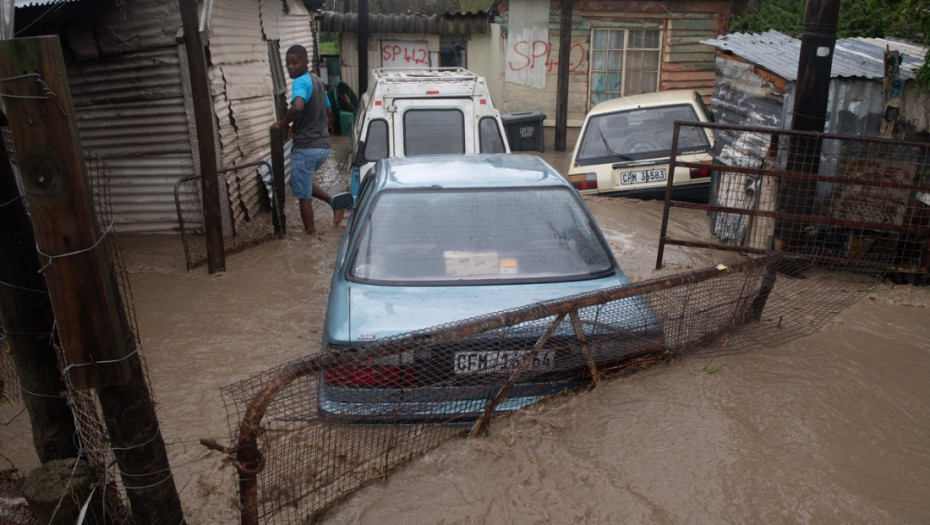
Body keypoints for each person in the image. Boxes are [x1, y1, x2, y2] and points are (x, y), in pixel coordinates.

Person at [272, 44, 343, 234]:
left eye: (295, 63)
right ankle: (334, 202)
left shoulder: (300, 83)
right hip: (323, 146)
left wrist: (283, 124)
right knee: (299, 182)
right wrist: (298, 126)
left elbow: (297, 107)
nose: (290, 67)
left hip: (306, 147)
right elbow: (328, 111)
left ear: (305, 62)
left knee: (303, 196)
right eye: (287, 63)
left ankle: (310, 237)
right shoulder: (317, 81)